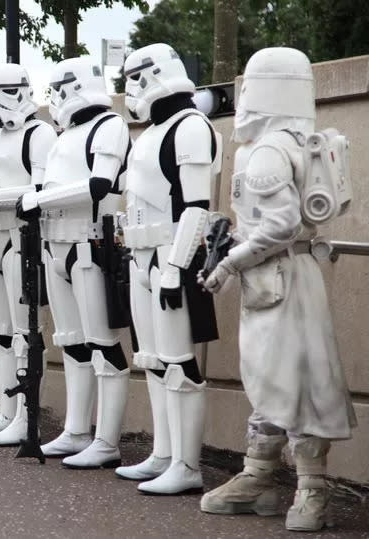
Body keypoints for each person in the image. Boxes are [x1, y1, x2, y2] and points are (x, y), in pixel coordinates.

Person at [198, 47, 356, 532]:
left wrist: (228, 262)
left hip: (277, 275)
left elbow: (281, 225)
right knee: (275, 377)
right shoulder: (290, 141)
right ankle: (260, 476)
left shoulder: (266, 150)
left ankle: (310, 488)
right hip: (285, 275)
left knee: (293, 379)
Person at [114, 43, 222, 494]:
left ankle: (187, 464)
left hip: (170, 255)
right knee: (154, 361)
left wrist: (176, 266)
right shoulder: (151, 133)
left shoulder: (191, 127)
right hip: (141, 255)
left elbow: (197, 206)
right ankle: (164, 453)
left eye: (133, 78)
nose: (129, 89)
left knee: (179, 362)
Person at [17, 57, 132, 465]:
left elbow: (100, 185)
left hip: (91, 244)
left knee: (103, 343)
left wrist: (39, 199)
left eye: (60, 87)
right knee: (72, 344)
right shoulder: (64, 135)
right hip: (56, 246)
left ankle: (106, 441)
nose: (56, 96)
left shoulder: (110, 126)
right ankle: (76, 429)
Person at [0, 64, 57, 446]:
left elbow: (36, 192)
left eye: (3, 91)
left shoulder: (39, 134)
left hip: (22, 238)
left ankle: (26, 417)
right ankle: (6, 410)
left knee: (25, 333)